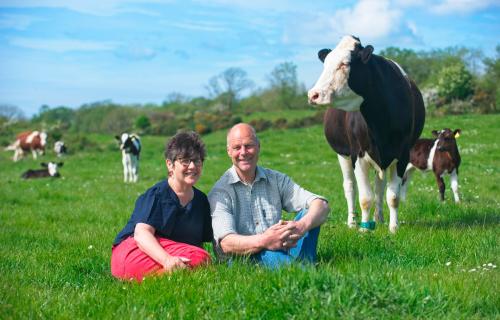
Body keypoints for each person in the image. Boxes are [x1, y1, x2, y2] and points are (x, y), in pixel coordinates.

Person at [208, 123, 330, 268]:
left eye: (249, 145)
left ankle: (302, 265)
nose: (243, 152)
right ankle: (304, 270)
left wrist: (300, 226)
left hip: (278, 245)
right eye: (237, 148)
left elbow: (322, 205)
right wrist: (265, 240)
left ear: (258, 146)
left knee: (309, 213)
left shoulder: (276, 179)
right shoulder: (220, 192)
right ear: (229, 151)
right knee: (289, 265)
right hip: (242, 259)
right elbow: (226, 243)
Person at [111, 131, 213, 281]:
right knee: (201, 258)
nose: (192, 166)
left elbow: (196, 245)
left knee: (200, 258)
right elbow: (141, 235)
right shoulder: (157, 195)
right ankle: (162, 276)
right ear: (170, 164)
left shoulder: (201, 200)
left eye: (197, 160)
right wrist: (168, 260)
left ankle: (157, 279)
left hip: (165, 253)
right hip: (134, 251)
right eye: (185, 160)